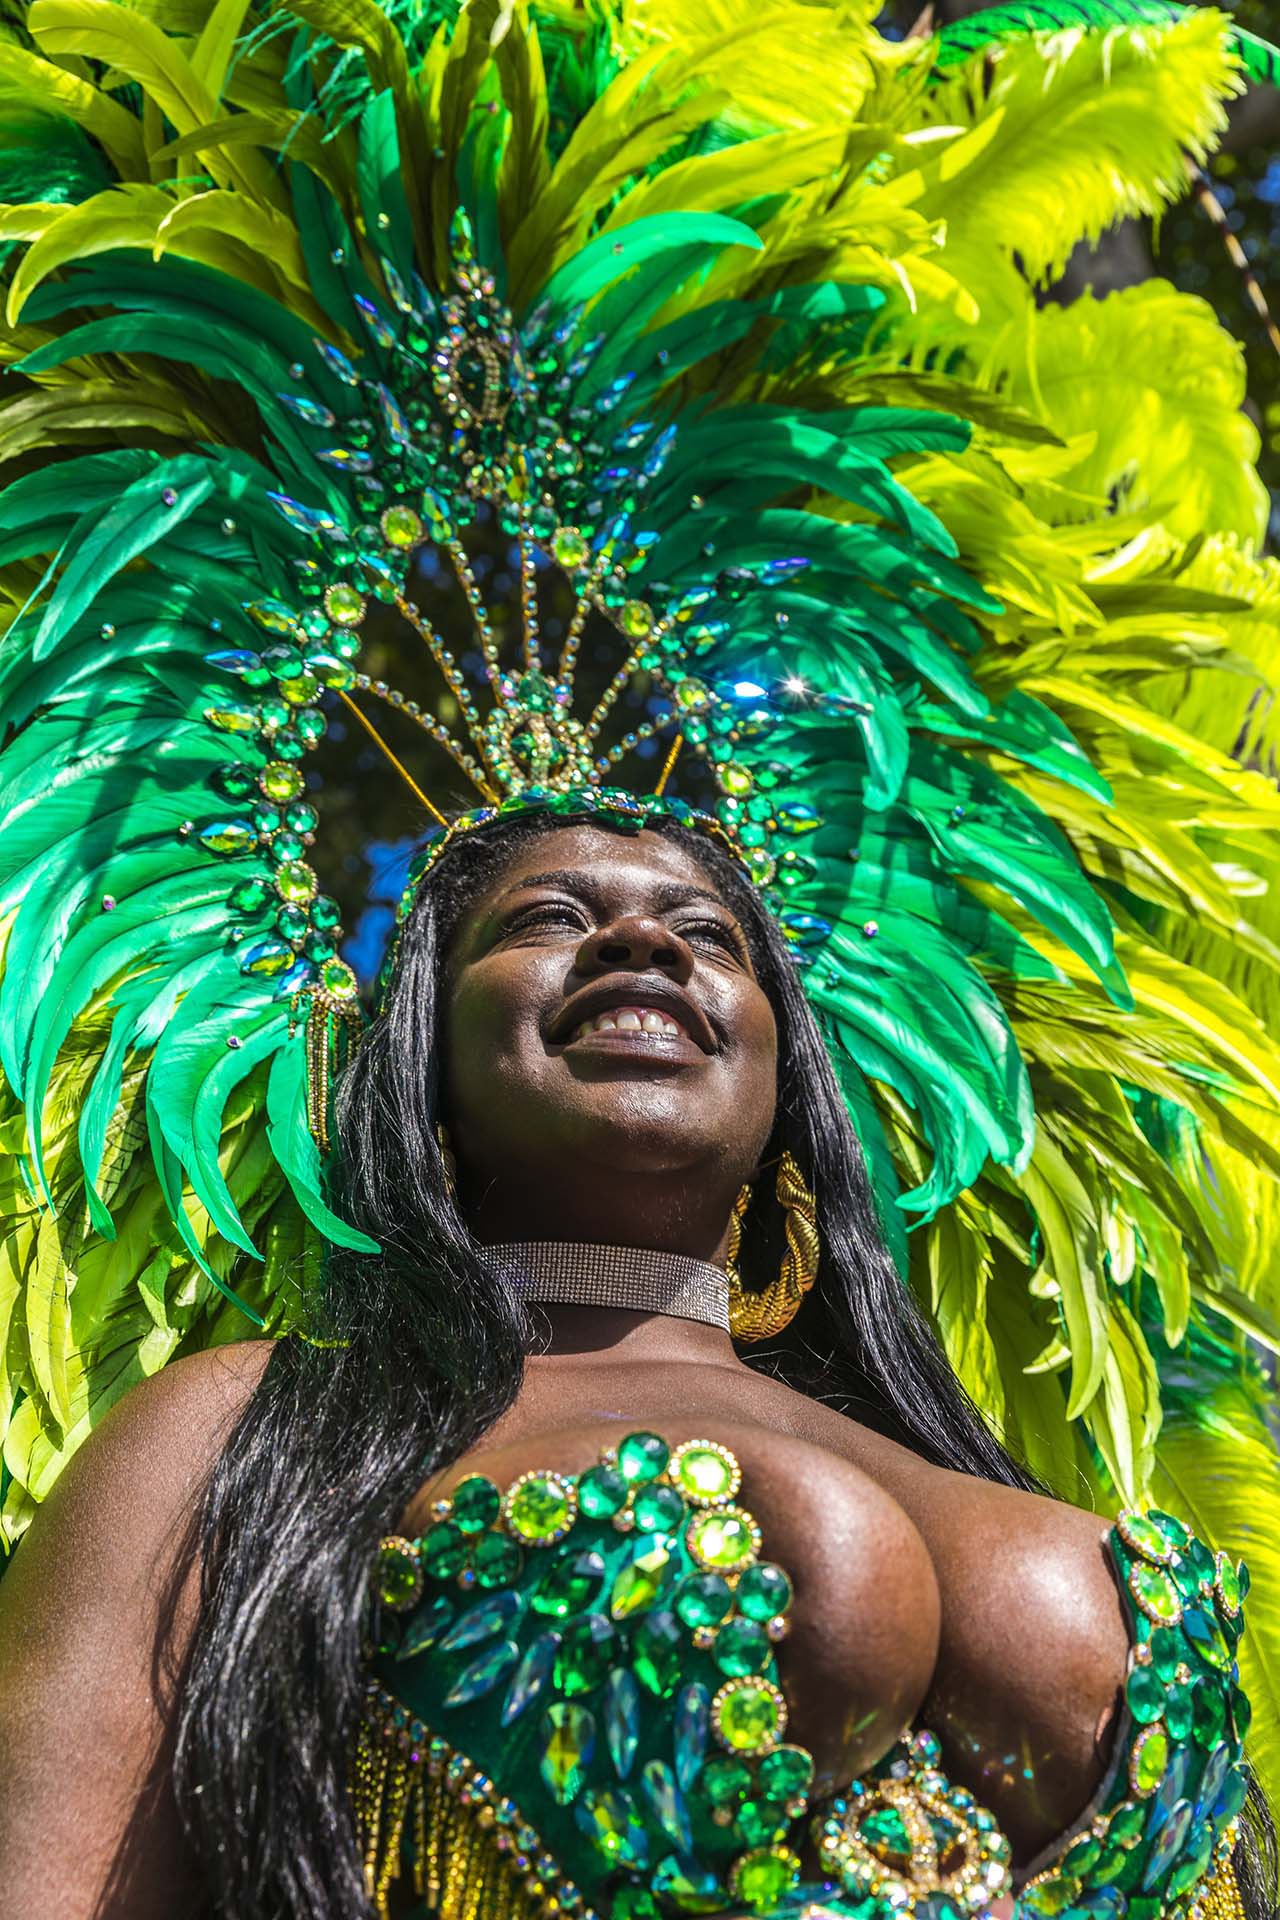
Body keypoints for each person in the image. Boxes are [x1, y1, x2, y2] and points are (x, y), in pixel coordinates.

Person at [0, 0, 1275, 1917]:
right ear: (417, 1052)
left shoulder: (951, 1445)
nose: (640, 950)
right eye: (547, 920)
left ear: (793, 1058)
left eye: (705, 932)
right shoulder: (245, 1434)